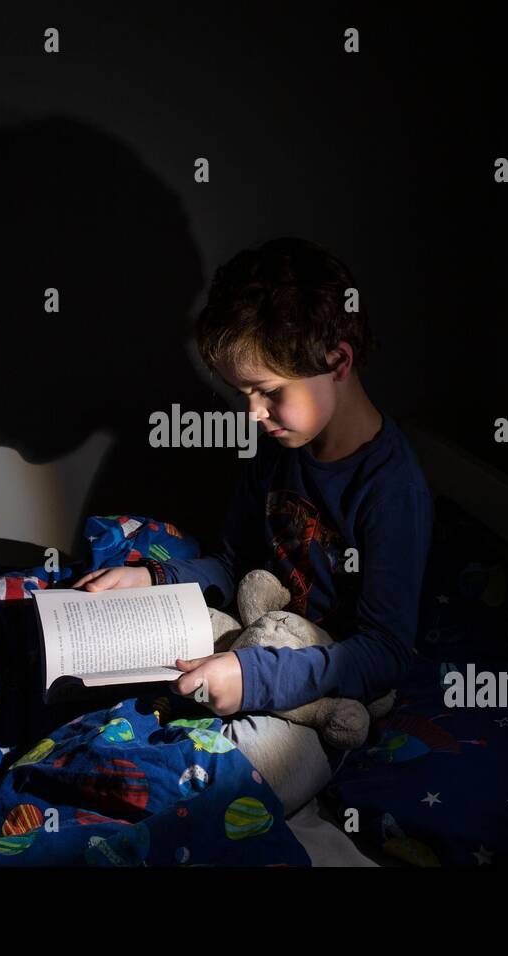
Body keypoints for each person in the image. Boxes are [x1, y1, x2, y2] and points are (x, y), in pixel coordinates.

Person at [73, 237, 435, 817]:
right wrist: (155, 578)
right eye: (244, 394)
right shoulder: (278, 450)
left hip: (320, 690)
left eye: (268, 392)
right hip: (245, 641)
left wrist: (254, 675)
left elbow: (387, 650)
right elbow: (234, 564)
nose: (252, 415)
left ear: (337, 362)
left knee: (197, 793)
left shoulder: (392, 490)